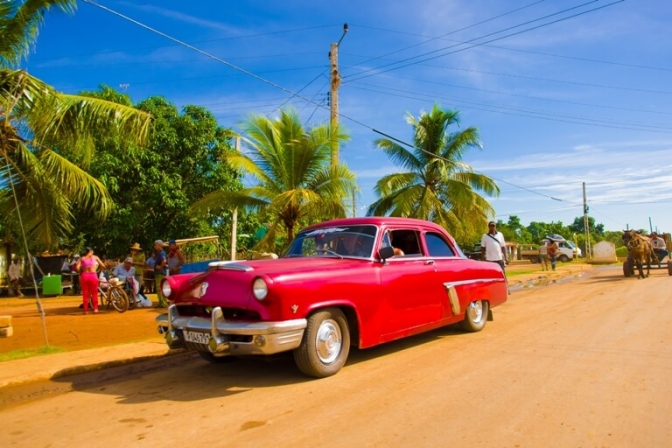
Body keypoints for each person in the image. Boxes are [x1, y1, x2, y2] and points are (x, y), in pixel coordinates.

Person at [76, 247, 105, 314]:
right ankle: (95, 309)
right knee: (94, 293)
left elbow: (77, 268)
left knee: (85, 294)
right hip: (93, 276)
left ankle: (85, 310)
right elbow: (102, 265)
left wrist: (81, 272)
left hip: (85, 276)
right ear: (91, 251)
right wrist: (103, 268)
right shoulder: (95, 257)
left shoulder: (82, 258)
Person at [153, 240, 168, 308]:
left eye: (156, 245)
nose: (155, 246)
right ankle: (163, 302)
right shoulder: (161, 253)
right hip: (161, 273)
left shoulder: (161, 253)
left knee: (159, 288)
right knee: (162, 288)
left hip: (159, 273)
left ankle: (162, 303)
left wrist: (160, 267)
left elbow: (164, 261)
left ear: (159, 245)